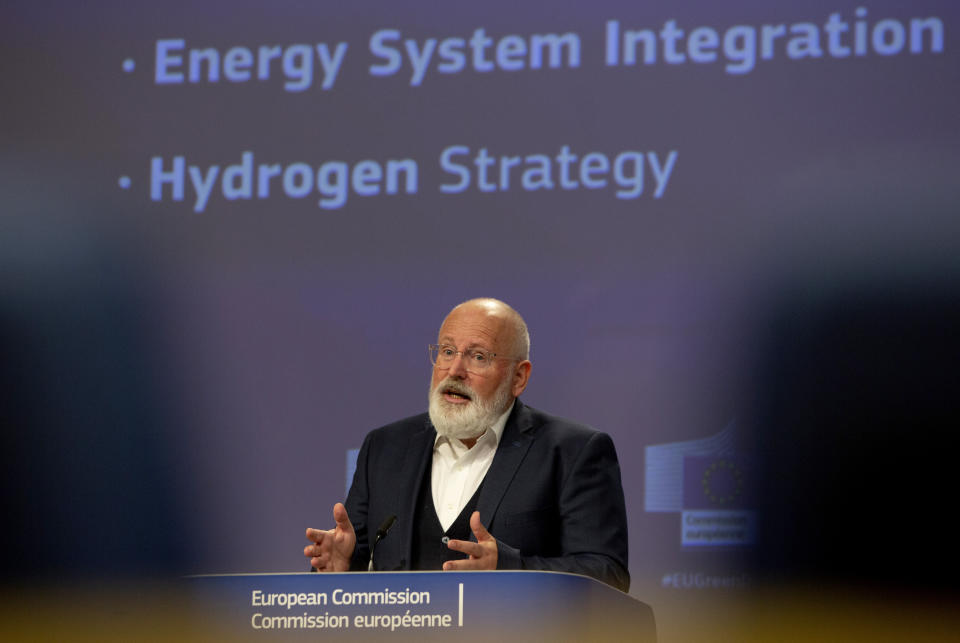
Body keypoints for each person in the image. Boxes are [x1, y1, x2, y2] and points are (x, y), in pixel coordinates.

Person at [304, 298, 630, 591]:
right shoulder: (385, 447)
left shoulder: (573, 452)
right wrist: (343, 568)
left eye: (478, 356)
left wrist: (511, 568)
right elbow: (367, 569)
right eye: (447, 351)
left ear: (519, 378)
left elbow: (607, 574)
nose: (455, 371)